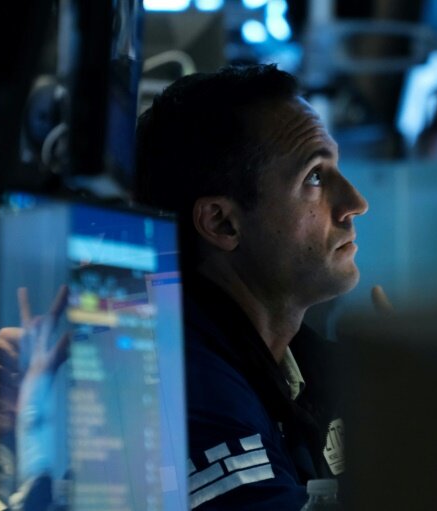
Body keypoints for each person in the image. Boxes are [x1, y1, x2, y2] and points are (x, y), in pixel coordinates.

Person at [134, 64, 367, 510]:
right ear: (222, 223)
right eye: (314, 177)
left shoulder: (297, 361)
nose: (355, 203)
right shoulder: (181, 384)